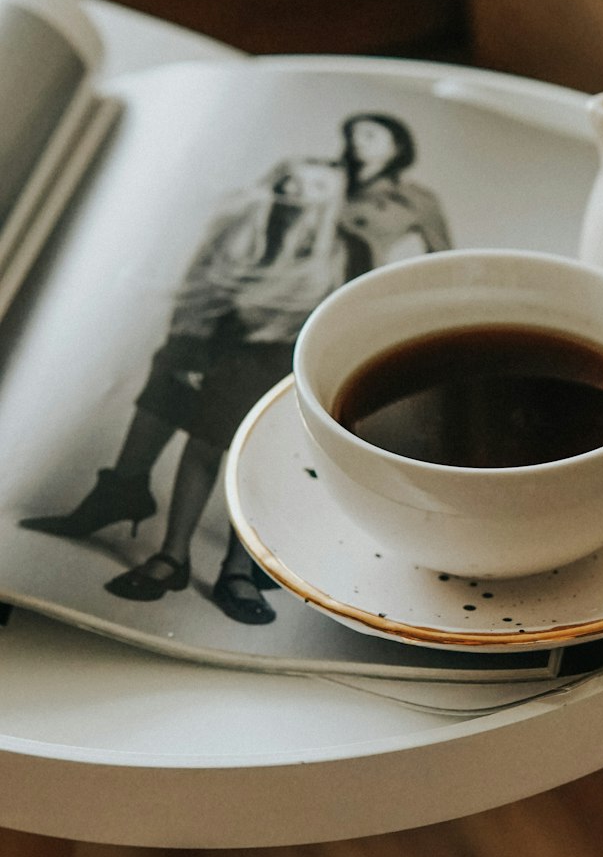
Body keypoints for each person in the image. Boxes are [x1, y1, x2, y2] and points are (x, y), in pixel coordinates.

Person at [21, 113, 452, 625]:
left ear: (397, 144)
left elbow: (435, 264)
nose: (360, 142)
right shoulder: (287, 192)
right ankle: (124, 498)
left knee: (251, 442)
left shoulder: (403, 208)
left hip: (307, 316)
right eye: (355, 133)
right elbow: (220, 264)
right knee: (173, 388)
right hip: (246, 308)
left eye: (374, 134)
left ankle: (240, 564)